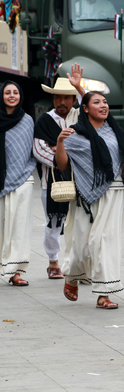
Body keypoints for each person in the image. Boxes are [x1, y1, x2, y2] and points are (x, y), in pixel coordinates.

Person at [56, 91, 124, 309]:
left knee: (104, 241)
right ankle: (71, 276)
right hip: (83, 199)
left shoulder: (115, 133)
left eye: (105, 102)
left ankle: (104, 293)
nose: (103, 105)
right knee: (80, 247)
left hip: (113, 192)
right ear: (85, 109)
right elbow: (61, 165)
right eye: (97, 102)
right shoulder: (74, 135)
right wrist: (60, 141)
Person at [33, 63, 86, 280]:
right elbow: (38, 149)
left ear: (73, 99)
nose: (61, 102)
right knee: (53, 222)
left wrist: (62, 149)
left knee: (78, 223)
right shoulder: (45, 121)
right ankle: (53, 260)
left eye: (66, 97)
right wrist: (61, 159)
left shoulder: (79, 118)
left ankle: (75, 262)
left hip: (79, 181)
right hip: (52, 181)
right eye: (57, 98)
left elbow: (92, 109)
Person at [0, 81, 36, 287]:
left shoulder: (27, 120)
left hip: (23, 179)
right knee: (3, 227)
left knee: (20, 227)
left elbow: (31, 149)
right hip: (1, 181)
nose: (12, 96)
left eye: (15, 92)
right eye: (7, 92)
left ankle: (17, 271)